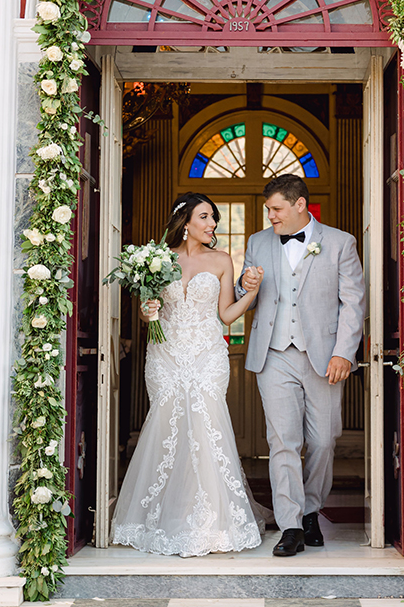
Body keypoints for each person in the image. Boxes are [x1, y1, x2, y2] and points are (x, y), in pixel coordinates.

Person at [111, 192, 269, 558]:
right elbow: (146, 313)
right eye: (205, 217)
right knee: (166, 427)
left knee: (206, 427)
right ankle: (161, 516)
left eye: (213, 217)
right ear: (184, 223)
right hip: (165, 355)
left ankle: (213, 522)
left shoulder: (222, 260)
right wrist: (147, 312)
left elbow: (227, 315)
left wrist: (253, 292)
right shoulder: (157, 260)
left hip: (207, 355)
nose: (212, 223)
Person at [238, 174, 365, 557]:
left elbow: (353, 303)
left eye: (276, 209)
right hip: (273, 354)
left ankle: (312, 509)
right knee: (283, 442)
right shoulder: (257, 243)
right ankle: (292, 525)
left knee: (323, 440)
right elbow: (246, 294)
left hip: (324, 356)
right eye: (268, 210)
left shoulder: (341, 243)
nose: (271, 216)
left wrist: (344, 352)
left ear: (299, 205)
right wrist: (247, 283)